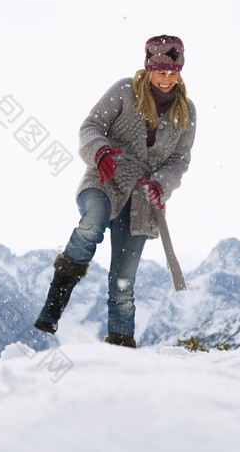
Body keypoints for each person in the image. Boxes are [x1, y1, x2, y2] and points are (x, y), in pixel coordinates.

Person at [34, 35, 196, 348]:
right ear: (148, 68)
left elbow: (180, 161)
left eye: (172, 72)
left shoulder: (186, 111)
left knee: (123, 283)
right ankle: (54, 304)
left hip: (143, 201)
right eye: (160, 71)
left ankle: (120, 352)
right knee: (94, 221)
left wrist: (160, 183)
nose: (166, 78)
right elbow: (90, 126)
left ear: (179, 71)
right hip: (104, 178)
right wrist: (100, 152)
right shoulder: (124, 91)